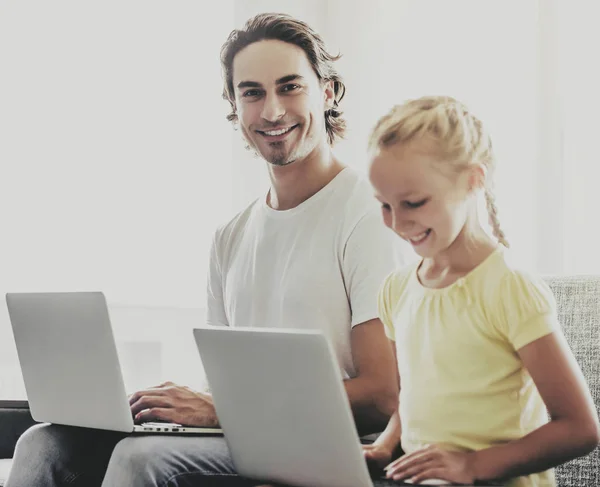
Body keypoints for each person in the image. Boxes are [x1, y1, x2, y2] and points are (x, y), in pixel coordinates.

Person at [6, 13, 410, 487]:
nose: (273, 111)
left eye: (290, 87)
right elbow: (229, 379)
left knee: (143, 461)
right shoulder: (231, 235)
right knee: (43, 443)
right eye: (252, 93)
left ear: (327, 92)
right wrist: (174, 406)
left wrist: (220, 408)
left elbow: (383, 393)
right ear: (235, 106)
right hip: (247, 430)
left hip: (331, 441)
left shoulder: (365, 212)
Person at [362, 95, 600, 486]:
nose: (397, 222)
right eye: (384, 205)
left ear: (474, 180)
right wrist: (386, 446)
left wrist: (472, 465)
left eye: (414, 203)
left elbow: (580, 428)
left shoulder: (510, 288)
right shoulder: (397, 289)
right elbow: (414, 399)